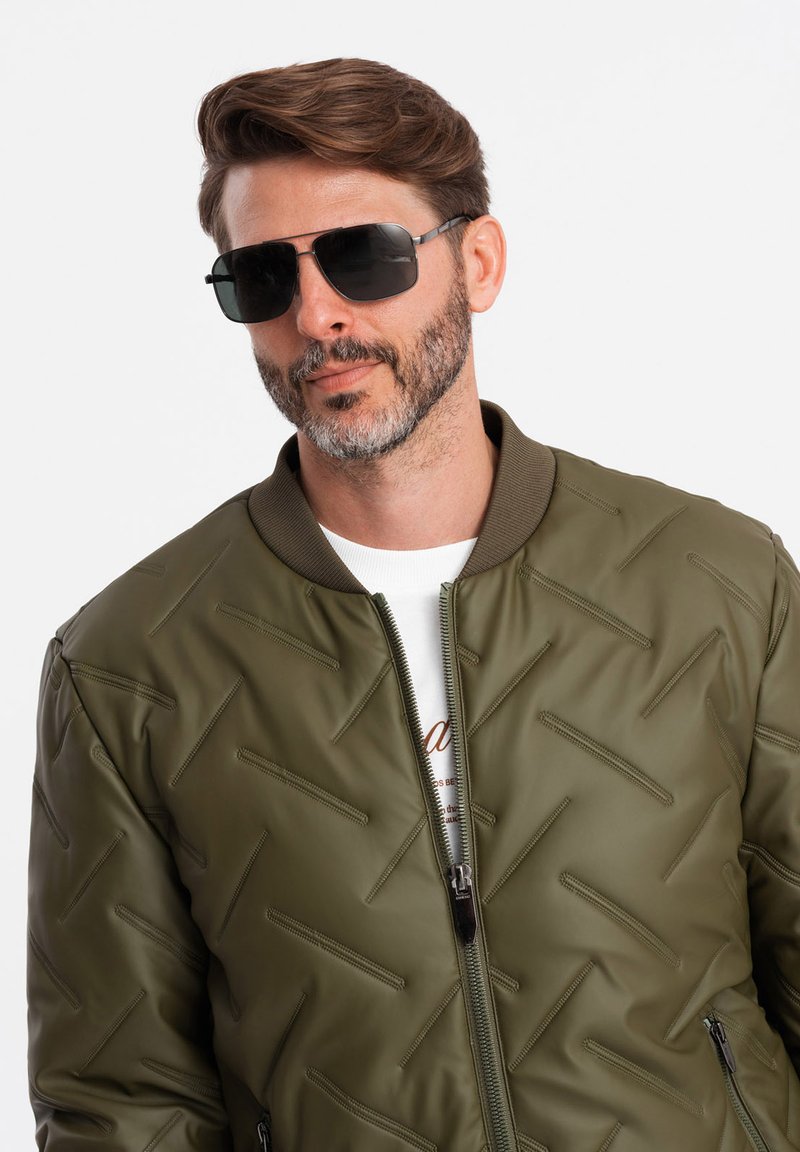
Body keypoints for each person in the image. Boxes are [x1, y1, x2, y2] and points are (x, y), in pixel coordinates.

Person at [27, 57, 800, 1152]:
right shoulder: (127, 665)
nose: (316, 314)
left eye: (363, 255)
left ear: (476, 262)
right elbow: (121, 1103)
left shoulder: (717, 581)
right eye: (262, 276)